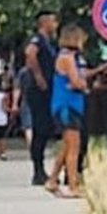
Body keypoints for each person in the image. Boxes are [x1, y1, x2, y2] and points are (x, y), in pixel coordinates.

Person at [46, 23, 91, 198]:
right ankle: (72, 185)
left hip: (69, 104)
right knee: (74, 147)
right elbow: (77, 81)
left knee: (67, 146)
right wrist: (81, 84)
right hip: (67, 105)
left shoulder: (69, 57)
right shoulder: (68, 58)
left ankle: (52, 179)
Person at [23, 11, 59, 186]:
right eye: (53, 21)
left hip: (47, 90)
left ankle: (40, 169)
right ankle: (37, 169)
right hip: (39, 90)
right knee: (40, 128)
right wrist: (38, 77)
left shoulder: (49, 43)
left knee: (45, 129)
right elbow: (30, 54)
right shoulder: (38, 39)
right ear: (44, 23)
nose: (56, 25)